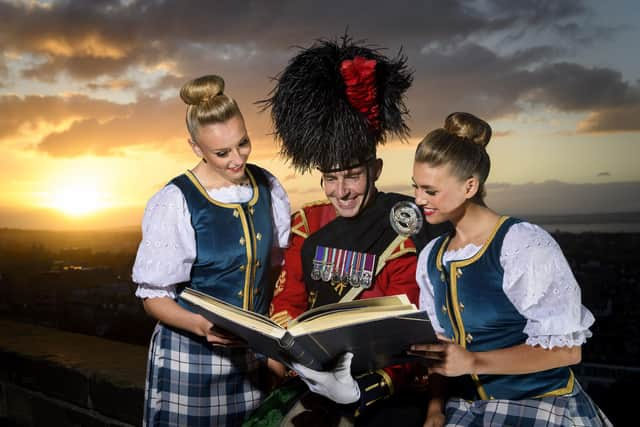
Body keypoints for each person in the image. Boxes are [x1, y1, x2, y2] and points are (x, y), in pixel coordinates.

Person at [243, 37, 449, 427]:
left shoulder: (404, 225)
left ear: (376, 170)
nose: (341, 191)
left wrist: (369, 385)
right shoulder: (308, 225)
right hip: (312, 379)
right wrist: (293, 346)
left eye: (353, 176)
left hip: (386, 389)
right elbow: (289, 301)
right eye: (331, 179)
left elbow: (412, 329)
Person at [409, 112, 612, 426]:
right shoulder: (431, 256)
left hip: (537, 406)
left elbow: (567, 352)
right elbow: (440, 353)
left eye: (430, 191)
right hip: (464, 409)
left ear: (470, 186)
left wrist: (474, 361)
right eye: (416, 188)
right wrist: (435, 411)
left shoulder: (522, 244)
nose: (418, 199)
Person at [132, 74, 290, 426]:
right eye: (222, 152)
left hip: (251, 357)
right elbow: (153, 297)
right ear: (195, 148)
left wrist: (272, 347)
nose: (237, 159)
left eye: (243, 143)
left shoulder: (269, 187)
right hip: (191, 355)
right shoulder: (176, 201)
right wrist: (202, 326)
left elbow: (276, 270)